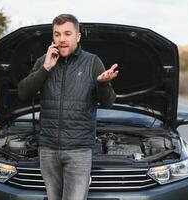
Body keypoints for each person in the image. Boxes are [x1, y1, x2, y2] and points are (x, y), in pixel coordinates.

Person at [18, 14, 118, 200]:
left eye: (67, 33)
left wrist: (102, 84)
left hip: (79, 151)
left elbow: (108, 102)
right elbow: (23, 93)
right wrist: (46, 67)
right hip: (47, 149)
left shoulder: (92, 62)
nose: (62, 39)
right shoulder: (43, 61)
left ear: (77, 37)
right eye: (57, 34)